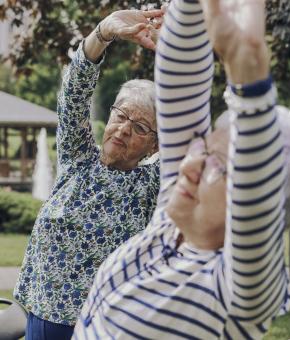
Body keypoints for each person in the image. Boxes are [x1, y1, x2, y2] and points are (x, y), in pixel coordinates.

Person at [73, 0, 290, 339]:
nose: (191, 163)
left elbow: (257, 185)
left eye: (220, 167)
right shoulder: (174, 218)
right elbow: (180, 80)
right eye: (206, 147)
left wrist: (248, 75)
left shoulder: (239, 289)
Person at [14, 8, 165, 340]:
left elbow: (190, 133)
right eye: (121, 115)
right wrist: (103, 33)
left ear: (154, 147)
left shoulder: (151, 185)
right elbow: (73, 96)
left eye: (140, 127)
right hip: (42, 315)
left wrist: (181, 52)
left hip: (104, 326)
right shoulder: (78, 158)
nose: (123, 130)